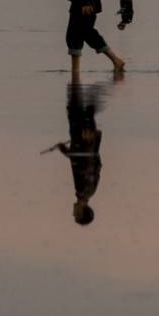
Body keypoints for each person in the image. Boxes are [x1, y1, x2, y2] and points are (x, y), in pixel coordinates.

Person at [58, 80, 104, 226]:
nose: (73, 213)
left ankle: (86, 82)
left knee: (77, 104)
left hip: (80, 139)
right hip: (82, 138)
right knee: (76, 103)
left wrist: (66, 152)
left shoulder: (85, 192)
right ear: (81, 211)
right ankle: (106, 83)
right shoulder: (85, 190)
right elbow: (89, 162)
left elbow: (85, 163)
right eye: (76, 215)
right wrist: (89, 142)